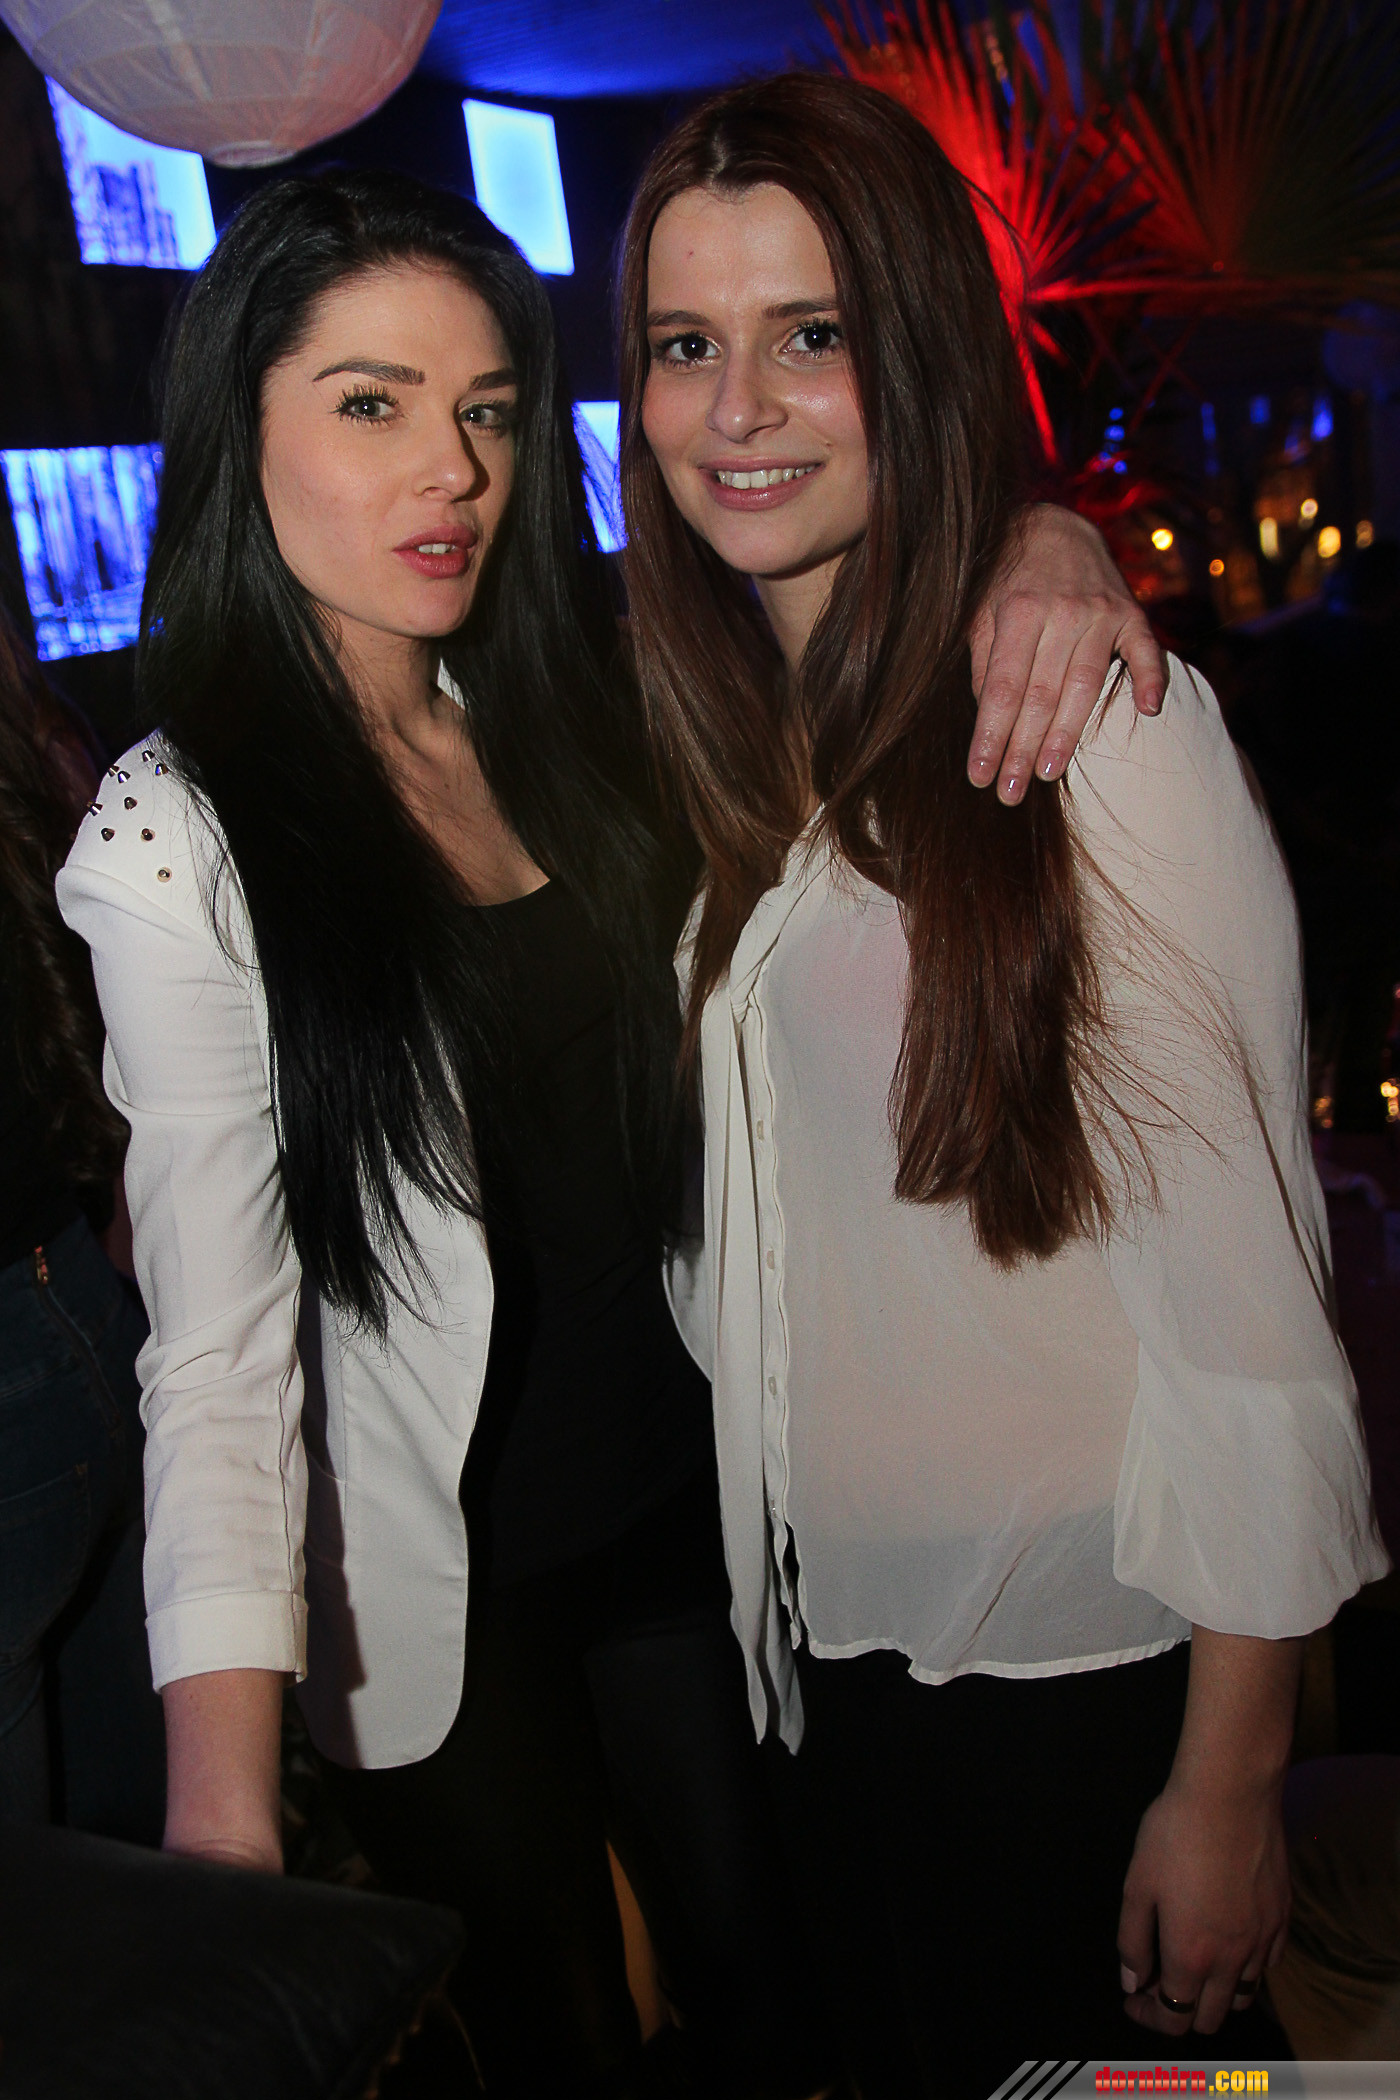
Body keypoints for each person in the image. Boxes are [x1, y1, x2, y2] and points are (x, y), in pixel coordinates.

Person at [58, 168, 1165, 2097]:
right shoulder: (179, 832)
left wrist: (1044, 539)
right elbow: (218, 1356)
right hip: (432, 1592)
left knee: (787, 1994)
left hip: (693, 1505)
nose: (454, 471)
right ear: (240, 431)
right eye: (373, 403)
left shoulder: (579, 705)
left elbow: (858, 601)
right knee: (558, 2045)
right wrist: (221, 1815)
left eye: (489, 410)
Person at [613, 72, 1389, 2096]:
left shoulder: (1092, 733)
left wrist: (1229, 1781)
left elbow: (1251, 1320)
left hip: (1068, 1683)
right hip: (811, 1659)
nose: (737, 408)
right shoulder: (714, 745)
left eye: (810, 334)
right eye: (685, 346)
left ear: (921, 351)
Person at [0, 601, 163, 1840]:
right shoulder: (40, 734)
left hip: (65, 1298)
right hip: (77, 1296)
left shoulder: (55, 747)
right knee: (125, 1850)